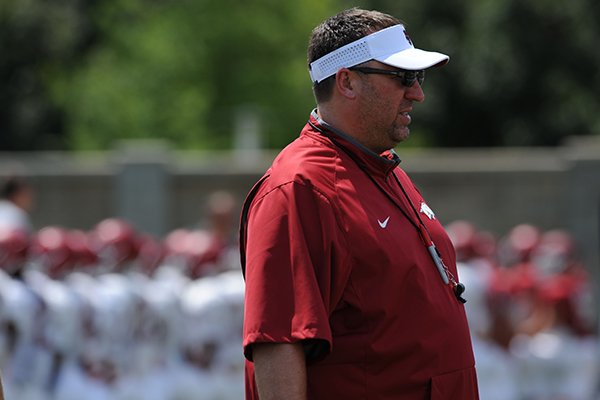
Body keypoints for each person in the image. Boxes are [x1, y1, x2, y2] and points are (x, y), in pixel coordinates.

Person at [239, 8, 479, 399]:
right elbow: (279, 340)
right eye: (403, 77)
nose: (417, 92)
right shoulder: (300, 187)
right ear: (347, 82)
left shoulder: (379, 166)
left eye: (417, 77)